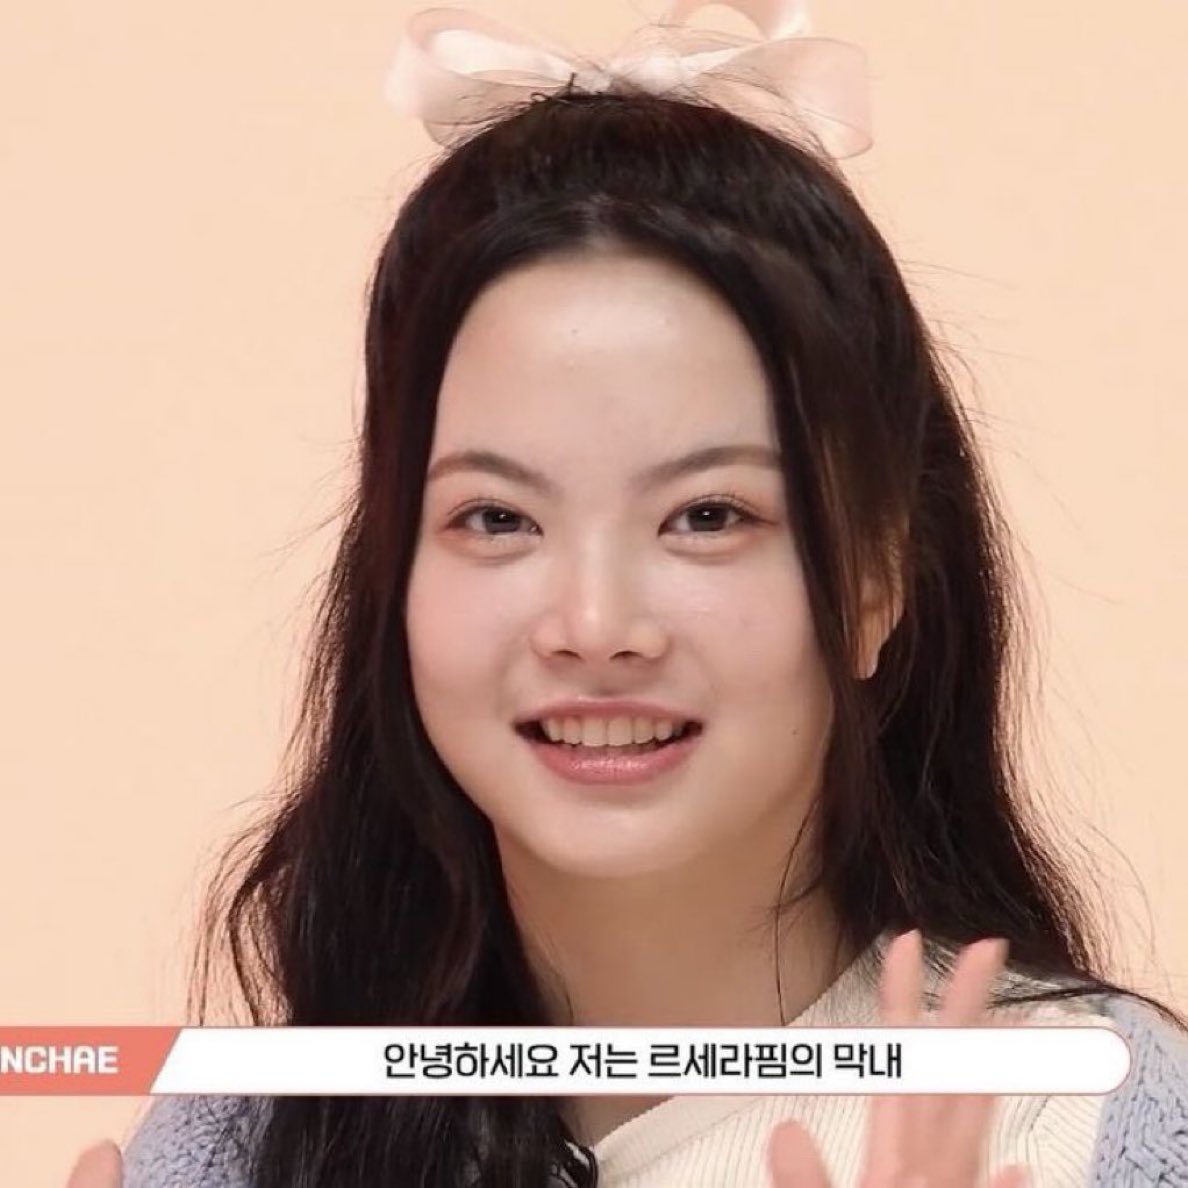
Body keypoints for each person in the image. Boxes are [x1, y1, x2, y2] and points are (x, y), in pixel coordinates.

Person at [63, 3, 1188, 1186]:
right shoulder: (256, 1137)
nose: (595, 629)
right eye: (496, 518)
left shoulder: (1077, 1118)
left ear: (873, 580)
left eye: (709, 516)